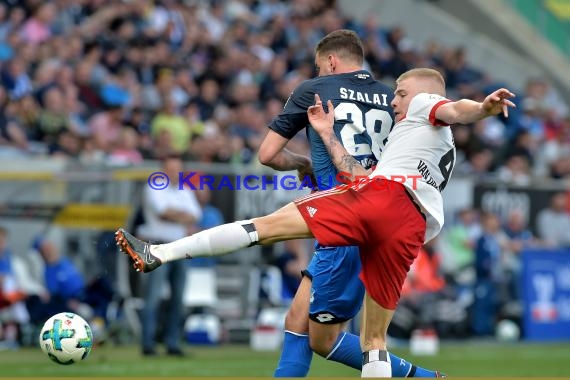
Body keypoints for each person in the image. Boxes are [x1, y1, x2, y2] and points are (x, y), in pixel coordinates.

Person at [116, 68, 515, 377]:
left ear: (426, 93)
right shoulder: (423, 143)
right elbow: (358, 175)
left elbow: (456, 109)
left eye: (400, 92)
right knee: (373, 340)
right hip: (409, 226)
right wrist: (327, 134)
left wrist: (481, 108)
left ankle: (159, 253)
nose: (394, 99)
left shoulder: (427, 103)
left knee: (264, 227)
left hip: (383, 199)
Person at [256, 29, 438, 377]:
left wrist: (302, 164)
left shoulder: (314, 90)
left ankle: (426, 378)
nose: (319, 72)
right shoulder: (393, 98)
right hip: (385, 212)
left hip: (345, 219)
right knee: (297, 320)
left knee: (324, 339)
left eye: (318, 66)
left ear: (331, 61)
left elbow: (267, 154)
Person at [136, 154, 203, 356]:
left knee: (178, 297)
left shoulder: (184, 189)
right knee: (153, 296)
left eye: (177, 169)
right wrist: (182, 216)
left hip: (179, 246)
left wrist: (176, 215)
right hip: (157, 246)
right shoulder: (153, 187)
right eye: (171, 168)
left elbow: (196, 214)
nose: (175, 173)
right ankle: (148, 343)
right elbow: (163, 213)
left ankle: (172, 342)